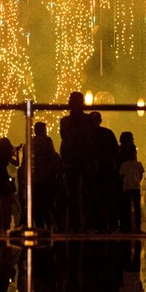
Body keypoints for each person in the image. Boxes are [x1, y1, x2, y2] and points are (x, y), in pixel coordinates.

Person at [59, 91, 94, 231]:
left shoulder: (65, 121)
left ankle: (75, 223)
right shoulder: (88, 120)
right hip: (83, 158)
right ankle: (86, 223)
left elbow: (65, 140)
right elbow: (90, 140)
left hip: (72, 159)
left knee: (73, 194)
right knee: (85, 192)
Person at [118, 143, 144, 232]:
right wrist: (137, 181)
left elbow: (121, 175)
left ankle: (127, 226)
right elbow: (141, 174)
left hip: (126, 188)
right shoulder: (138, 164)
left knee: (126, 207)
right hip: (136, 187)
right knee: (137, 207)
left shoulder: (124, 165)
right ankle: (137, 226)